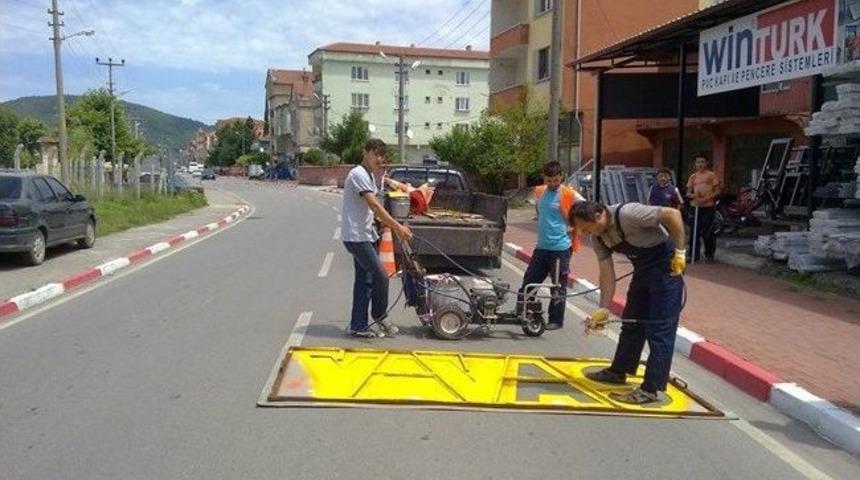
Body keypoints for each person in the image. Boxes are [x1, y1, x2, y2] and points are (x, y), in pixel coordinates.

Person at [569, 201, 686, 404]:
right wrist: (603, 308)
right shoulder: (599, 237)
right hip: (642, 270)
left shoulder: (629, 214)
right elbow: (606, 273)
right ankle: (618, 371)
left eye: (587, 228)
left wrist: (680, 252)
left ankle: (651, 389)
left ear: (599, 215)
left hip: (667, 268)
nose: (588, 233)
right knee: (632, 322)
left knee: (659, 329)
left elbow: (672, 214)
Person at [341, 138, 413, 338]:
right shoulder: (357, 174)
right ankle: (380, 315)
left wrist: (380, 225)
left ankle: (358, 325)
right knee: (381, 275)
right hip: (356, 237)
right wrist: (397, 227)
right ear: (365, 152)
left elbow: (373, 208)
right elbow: (374, 205)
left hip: (365, 234)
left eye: (381, 155)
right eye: (375, 154)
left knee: (364, 281)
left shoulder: (370, 176)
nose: (379, 159)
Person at [517, 161, 582, 331]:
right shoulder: (539, 192)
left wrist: (574, 225)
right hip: (542, 247)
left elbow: (585, 208)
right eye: (549, 180)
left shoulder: (569, 194)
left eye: (556, 180)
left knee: (558, 286)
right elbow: (537, 210)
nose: (552, 183)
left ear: (561, 176)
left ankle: (555, 320)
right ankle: (525, 312)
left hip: (560, 249)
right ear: (544, 178)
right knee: (530, 281)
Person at [685, 154, 721, 262]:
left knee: (708, 231)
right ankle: (693, 255)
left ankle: (709, 255)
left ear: (706, 163)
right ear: (695, 164)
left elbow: (717, 190)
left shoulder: (711, 175)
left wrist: (705, 199)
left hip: (708, 207)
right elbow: (688, 193)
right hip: (695, 207)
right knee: (694, 231)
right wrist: (693, 196)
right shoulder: (693, 177)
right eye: (698, 162)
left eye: (702, 162)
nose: (700, 164)